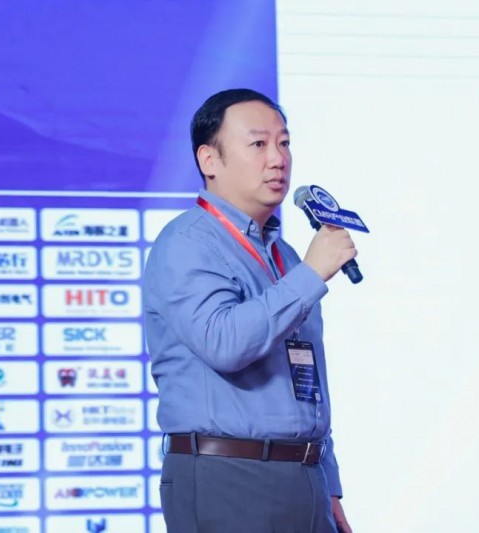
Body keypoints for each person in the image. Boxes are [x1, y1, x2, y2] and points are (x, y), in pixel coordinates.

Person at [143, 88, 355, 533]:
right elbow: (225, 344)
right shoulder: (186, 243)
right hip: (228, 475)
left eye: (284, 143)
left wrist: (328, 480)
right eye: (258, 144)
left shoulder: (287, 256)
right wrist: (311, 274)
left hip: (304, 476)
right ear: (209, 159)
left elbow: (307, 380)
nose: (278, 159)